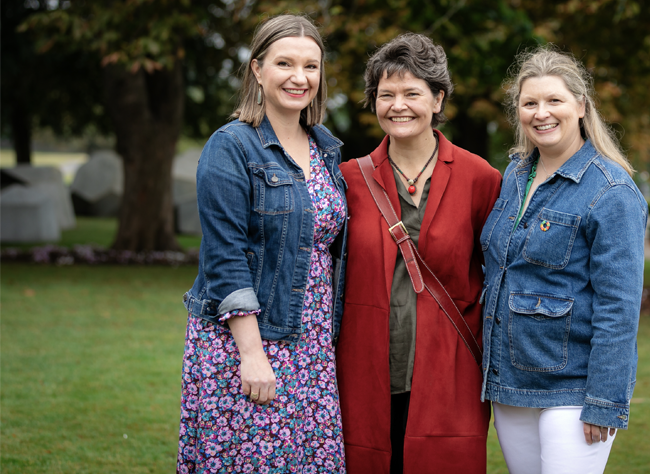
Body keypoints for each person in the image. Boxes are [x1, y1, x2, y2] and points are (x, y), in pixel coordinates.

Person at [177, 15, 348, 473]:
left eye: (311, 66)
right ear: (257, 69)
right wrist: (252, 354)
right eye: (285, 63)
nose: (300, 77)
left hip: (311, 342)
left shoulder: (325, 148)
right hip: (247, 340)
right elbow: (224, 255)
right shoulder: (231, 146)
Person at [336, 33, 502, 474]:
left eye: (412, 93)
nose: (398, 105)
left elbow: (505, 273)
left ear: (437, 98)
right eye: (385, 94)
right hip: (365, 369)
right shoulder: (347, 181)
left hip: (450, 371)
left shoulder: (479, 178)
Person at [479, 45, 647, 474]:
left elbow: (619, 307)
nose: (542, 113)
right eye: (529, 103)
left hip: (574, 389)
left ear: (581, 106)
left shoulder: (612, 192)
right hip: (511, 384)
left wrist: (605, 400)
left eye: (554, 100)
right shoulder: (514, 176)